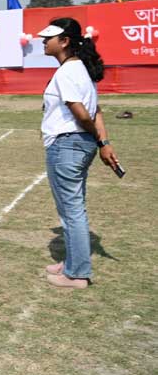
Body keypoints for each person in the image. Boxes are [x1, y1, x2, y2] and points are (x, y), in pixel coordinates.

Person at [39, 17, 121, 289]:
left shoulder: (68, 72)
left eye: (48, 38)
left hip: (67, 145)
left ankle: (77, 274)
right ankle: (72, 262)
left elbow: (83, 113)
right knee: (72, 208)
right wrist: (103, 143)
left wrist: (99, 138)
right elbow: (96, 111)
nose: (43, 41)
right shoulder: (80, 70)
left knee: (72, 212)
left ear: (64, 42)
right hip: (75, 145)